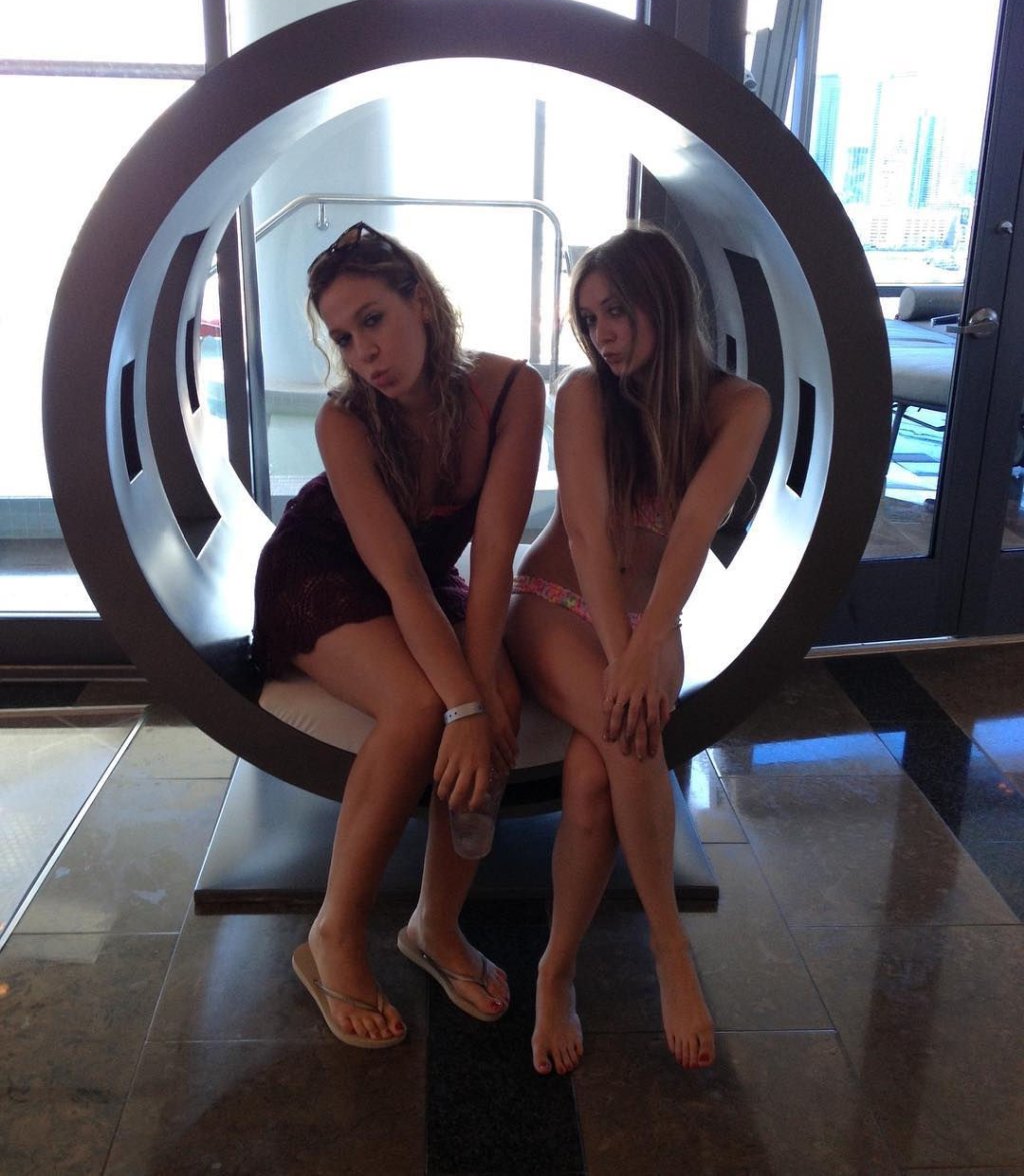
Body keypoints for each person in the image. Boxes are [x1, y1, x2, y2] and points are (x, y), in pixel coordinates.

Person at [252, 222, 545, 1048]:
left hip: (427, 576)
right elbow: (401, 580)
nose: (364, 354)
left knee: (501, 697)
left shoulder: (512, 391)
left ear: (420, 299)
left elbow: (493, 559)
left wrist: (482, 696)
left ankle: (434, 926)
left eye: (373, 319)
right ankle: (333, 935)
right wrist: (460, 706)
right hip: (320, 571)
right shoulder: (344, 420)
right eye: (344, 337)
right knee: (423, 708)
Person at [506, 222, 770, 1075]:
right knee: (629, 737)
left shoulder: (739, 406)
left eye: (617, 311)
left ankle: (555, 969)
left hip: (655, 617)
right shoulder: (586, 394)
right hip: (555, 604)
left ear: (665, 300)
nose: (604, 335)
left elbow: (694, 528)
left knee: (593, 779)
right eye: (590, 319)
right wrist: (624, 657)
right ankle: (669, 948)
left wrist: (648, 641)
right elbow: (585, 534)